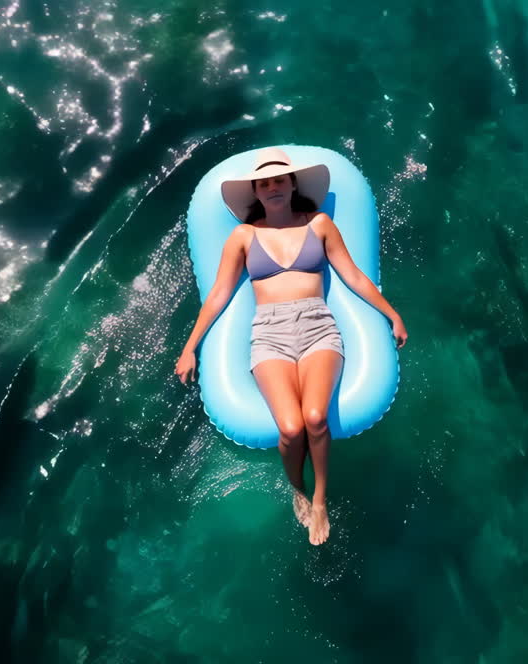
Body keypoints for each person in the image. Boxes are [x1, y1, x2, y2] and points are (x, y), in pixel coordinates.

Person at [175, 148, 408, 545]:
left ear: (292, 183)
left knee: (315, 417)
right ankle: (296, 487)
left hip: (319, 327)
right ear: (256, 193)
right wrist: (190, 347)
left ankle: (319, 498)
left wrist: (392, 313)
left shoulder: (318, 225)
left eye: (279, 180)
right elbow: (219, 294)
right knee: (290, 427)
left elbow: (352, 274)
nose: (272, 187)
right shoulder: (244, 235)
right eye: (264, 183)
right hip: (269, 332)